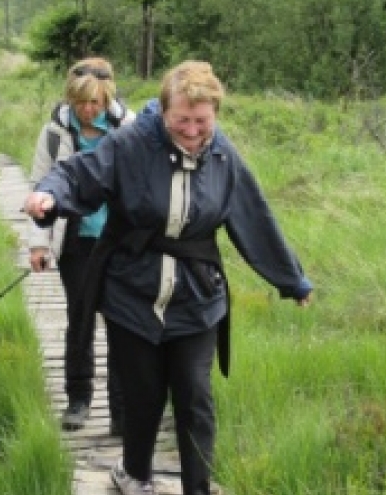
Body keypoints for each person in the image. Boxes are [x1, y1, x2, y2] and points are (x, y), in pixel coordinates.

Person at [24, 61, 313, 495]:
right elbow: (76, 175)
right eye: (183, 120)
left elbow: (253, 216)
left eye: (202, 121)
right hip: (131, 290)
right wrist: (50, 196)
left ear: (214, 115)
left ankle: (198, 487)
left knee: (195, 396)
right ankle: (135, 475)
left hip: (197, 295)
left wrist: (292, 281)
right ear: (163, 111)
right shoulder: (130, 144)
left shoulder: (222, 154)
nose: (193, 130)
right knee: (142, 397)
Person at [27, 57, 135, 435]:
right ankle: (78, 399)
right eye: (81, 103)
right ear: (71, 99)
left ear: (108, 97)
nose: (89, 111)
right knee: (80, 318)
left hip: (120, 241)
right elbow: (41, 186)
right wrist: (39, 243)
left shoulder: (130, 126)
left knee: (122, 323)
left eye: (96, 103)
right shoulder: (55, 134)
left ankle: (122, 412)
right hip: (76, 240)